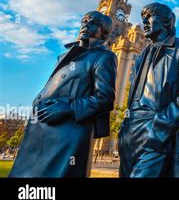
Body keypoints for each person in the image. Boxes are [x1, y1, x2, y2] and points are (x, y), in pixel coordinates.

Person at [9, 11, 116, 177]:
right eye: (84, 21)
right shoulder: (64, 56)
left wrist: (68, 109)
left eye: (93, 23)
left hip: (67, 132)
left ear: (104, 32)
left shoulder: (104, 57)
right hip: (40, 128)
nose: (86, 25)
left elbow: (105, 99)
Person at [119, 2, 179, 177]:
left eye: (149, 16)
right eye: (143, 18)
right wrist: (124, 127)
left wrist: (161, 125)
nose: (144, 21)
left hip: (157, 127)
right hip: (130, 131)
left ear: (165, 21)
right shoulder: (142, 55)